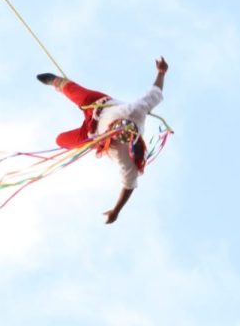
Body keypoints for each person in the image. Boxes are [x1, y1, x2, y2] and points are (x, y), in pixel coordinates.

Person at [36, 57, 169, 224]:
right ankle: (56, 81)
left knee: (60, 140)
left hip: (91, 135)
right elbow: (155, 93)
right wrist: (161, 73)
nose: (119, 126)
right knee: (71, 89)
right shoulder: (136, 110)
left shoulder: (124, 156)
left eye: (120, 132)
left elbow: (129, 185)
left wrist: (116, 210)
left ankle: (62, 95)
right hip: (98, 104)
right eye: (121, 124)